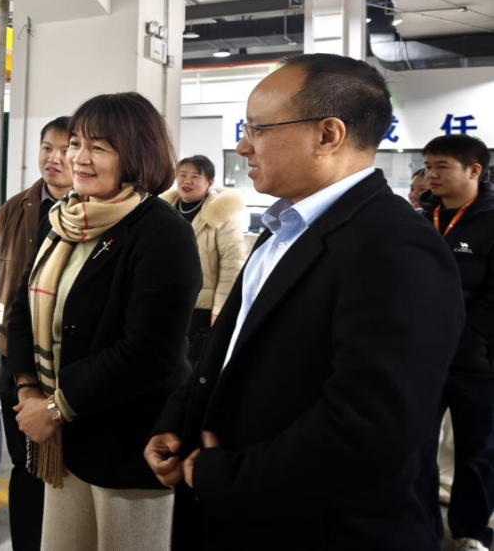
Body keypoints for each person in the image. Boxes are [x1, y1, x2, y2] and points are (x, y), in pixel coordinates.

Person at [145, 53, 465, 550]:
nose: (243, 145)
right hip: (237, 508)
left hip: (320, 530)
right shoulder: (283, 228)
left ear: (328, 134)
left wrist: (227, 477)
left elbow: (369, 428)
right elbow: (228, 354)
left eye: (258, 128)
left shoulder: (396, 246)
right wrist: (178, 425)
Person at [6, 93, 202, 551]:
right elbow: (22, 306)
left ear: (135, 154)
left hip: (128, 444)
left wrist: (55, 408)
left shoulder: (161, 232)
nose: (78, 157)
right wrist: (27, 388)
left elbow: (148, 354)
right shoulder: (62, 220)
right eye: (76, 143)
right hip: (66, 446)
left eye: (98, 147)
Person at [0, 116, 73, 550]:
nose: (55, 158)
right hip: (12, 354)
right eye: (47, 147)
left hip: (65, 359)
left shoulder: (93, 212)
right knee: (25, 463)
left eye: (65, 149)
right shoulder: (14, 210)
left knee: (66, 467)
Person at [423, 135, 494, 551]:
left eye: (442, 166)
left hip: (476, 364)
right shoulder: (421, 218)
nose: (431, 174)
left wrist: (470, 341)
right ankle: (421, 526)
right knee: (415, 448)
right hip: (422, 359)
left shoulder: (490, 221)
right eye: (428, 165)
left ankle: (471, 532)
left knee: (476, 452)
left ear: (474, 170)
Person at [160, 155, 246, 364]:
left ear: (210, 182)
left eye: (195, 176)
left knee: (193, 366)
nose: (187, 181)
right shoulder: (163, 211)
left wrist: (220, 309)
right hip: (164, 302)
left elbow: (232, 265)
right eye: (182, 175)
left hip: (201, 309)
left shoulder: (222, 215)